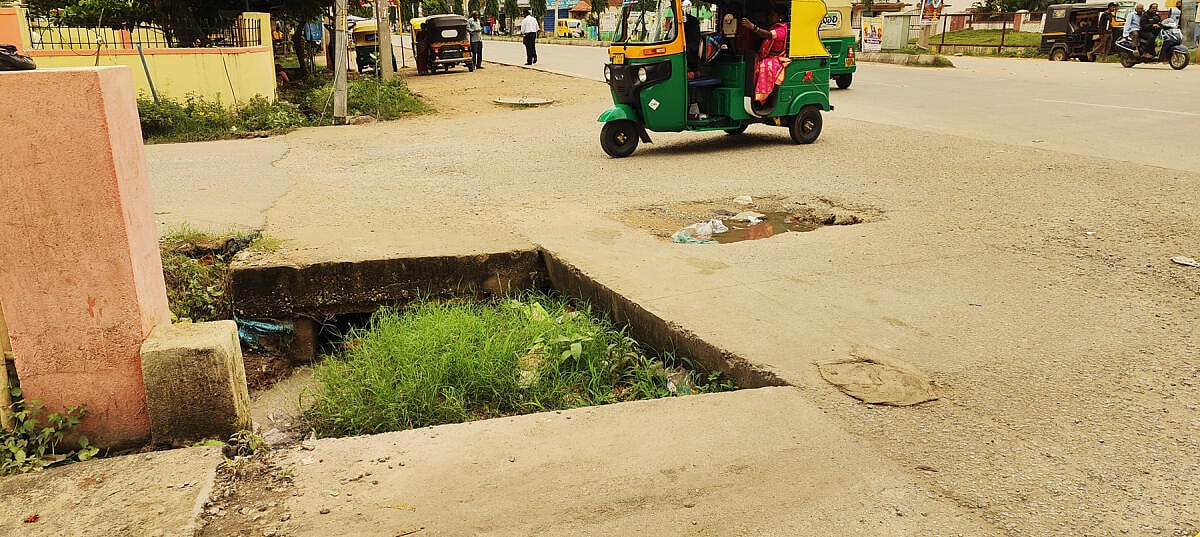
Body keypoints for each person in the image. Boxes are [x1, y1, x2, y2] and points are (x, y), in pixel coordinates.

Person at [740, 8, 788, 106]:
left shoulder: (782, 29)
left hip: (777, 58)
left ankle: (760, 100)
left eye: (772, 14)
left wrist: (753, 27)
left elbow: (769, 35)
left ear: (780, 17)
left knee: (764, 67)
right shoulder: (774, 27)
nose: (769, 17)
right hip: (767, 56)